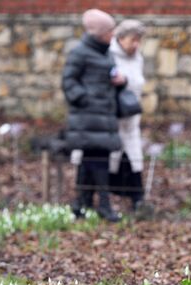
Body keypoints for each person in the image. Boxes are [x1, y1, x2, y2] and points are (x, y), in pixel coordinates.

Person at [62, 9, 126, 222]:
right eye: (110, 31)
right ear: (98, 32)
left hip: (104, 117)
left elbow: (108, 79)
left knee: (91, 161)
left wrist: (120, 82)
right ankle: (103, 205)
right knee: (97, 160)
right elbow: (69, 81)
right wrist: (87, 100)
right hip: (89, 118)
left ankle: (80, 204)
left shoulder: (106, 53)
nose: (113, 35)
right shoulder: (80, 53)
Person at [108, 20, 148, 212]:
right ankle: (107, 198)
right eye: (133, 40)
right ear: (121, 38)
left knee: (134, 159)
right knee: (111, 159)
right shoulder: (109, 56)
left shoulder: (138, 58)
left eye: (138, 40)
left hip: (132, 120)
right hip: (114, 118)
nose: (136, 45)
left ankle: (137, 199)